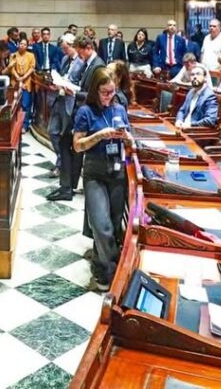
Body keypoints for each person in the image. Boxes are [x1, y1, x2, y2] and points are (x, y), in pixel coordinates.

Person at [73, 69, 131, 291]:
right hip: (95, 171)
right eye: (105, 92)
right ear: (95, 91)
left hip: (117, 171)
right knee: (101, 225)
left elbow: (128, 136)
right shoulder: (85, 112)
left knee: (115, 225)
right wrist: (99, 135)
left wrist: (126, 137)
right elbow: (77, 146)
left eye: (112, 92)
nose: (109, 96)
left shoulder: (119, 108)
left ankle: (101, 269)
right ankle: (119, 266)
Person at [49, 35, 106, 202]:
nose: (79, 56)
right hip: (79, 111)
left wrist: (74, 92)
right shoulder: (89, 63)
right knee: (70, 148)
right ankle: (67, 187)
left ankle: (67, 187)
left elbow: (96, 94)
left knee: (68, 146)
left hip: (86, 113)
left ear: (88, 48)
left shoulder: (98, 66)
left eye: (81, 53)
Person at [46, 35, 83, 186]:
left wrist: (69, 86)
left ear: (72, 46)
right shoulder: (64, 60)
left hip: (71, 101)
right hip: (59, 99)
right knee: (52, 131)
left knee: (66, 136)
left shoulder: (81, 63)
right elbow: (63, 76)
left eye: (65, 48)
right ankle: (61, 160)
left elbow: (81, 85)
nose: (63, 50)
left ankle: (63, 165)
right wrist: (57, 83)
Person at [175, 65, 219, 129]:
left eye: (198, 74)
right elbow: (182, 110)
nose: (195, 77)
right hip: (182, 128)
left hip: (195, 132)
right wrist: (179, 120)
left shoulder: (210, 96)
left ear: (205, 78)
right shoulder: (190, 92)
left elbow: (210, 120)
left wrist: (190, 125)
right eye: (192, 75)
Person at [8, 37, 37, 132]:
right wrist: (17, 77)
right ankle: (13, 125)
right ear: (18, 45)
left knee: (25, 104)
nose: (22, 46)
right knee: (14, 104)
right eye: (21, 44)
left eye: (24, 44)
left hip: (26, 82)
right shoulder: (13, 55)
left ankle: (24, 125)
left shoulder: (31, 55)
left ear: (27, 46)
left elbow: (32, 68)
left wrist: (23, 78)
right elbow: (11, 68)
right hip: (15, 81)